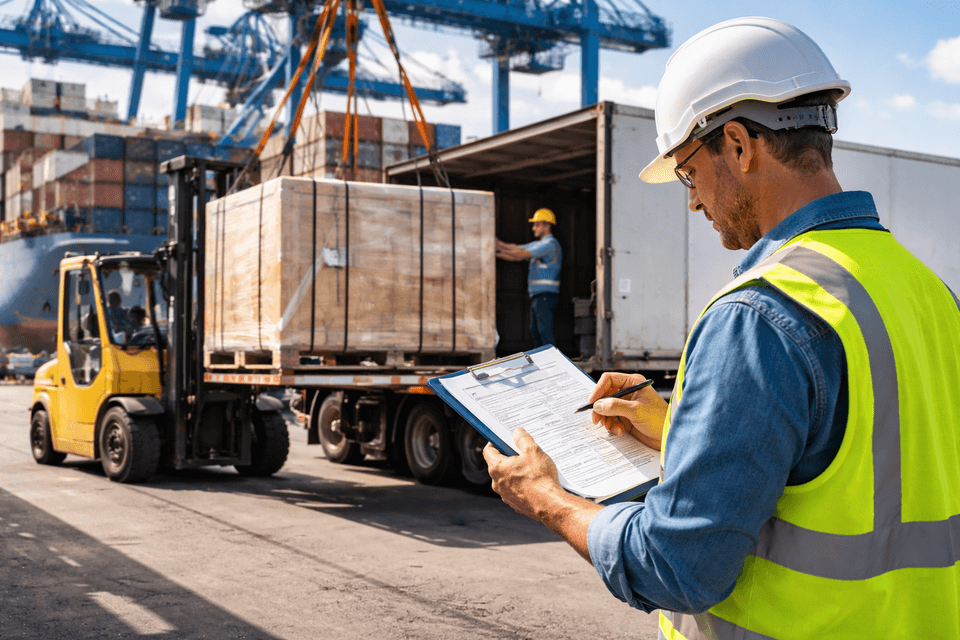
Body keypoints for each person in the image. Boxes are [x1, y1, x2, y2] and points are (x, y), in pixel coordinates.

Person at [483, 16, 960, 640]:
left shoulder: (758, 316)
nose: (692, 200)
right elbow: (864, 465)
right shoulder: (927, 290)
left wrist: (547, 498)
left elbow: (675, 567)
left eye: (687, 172)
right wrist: (680, 431)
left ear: (737, 144)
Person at [495, 208, 562, 348]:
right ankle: (542, 359)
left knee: (544, 331)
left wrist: (497, 245)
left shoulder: (549, 245)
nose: (533, 228)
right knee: (536, 331)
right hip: (539, 296)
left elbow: (520, 254)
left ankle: (552, 360)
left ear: (546, 225)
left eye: (537, 224)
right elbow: (515, 250)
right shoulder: (539, 244)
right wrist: (496, 249)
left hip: (545, 296)